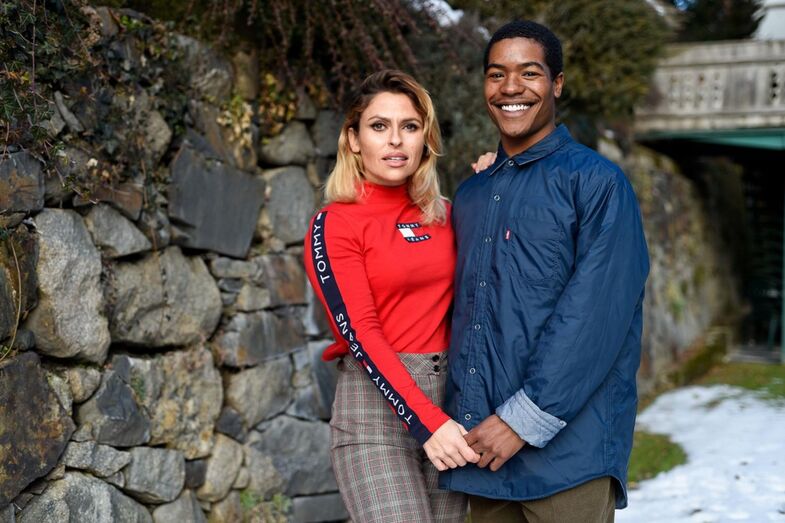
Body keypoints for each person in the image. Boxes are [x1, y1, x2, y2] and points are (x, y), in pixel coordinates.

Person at [440, 20, 650, 523]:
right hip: (482, 455)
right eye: (497, 74)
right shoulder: (471, 195)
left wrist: (521, 421)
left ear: (556, 83)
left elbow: (593, 319)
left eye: (529, 73)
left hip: (569, 460)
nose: (510, 88)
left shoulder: (598, 185)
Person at [303, 69, 479, 523]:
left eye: (410, 126)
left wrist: (494, 183)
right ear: (354, 139)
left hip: (452, 405)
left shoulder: (448, 215)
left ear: (425, 139)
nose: (395, 140)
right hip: (375, 414)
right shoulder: (335, 224)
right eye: (379, 126)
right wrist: (427, 422)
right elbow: (360, 333)